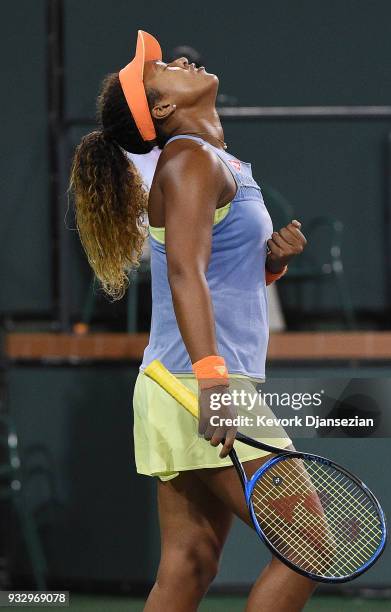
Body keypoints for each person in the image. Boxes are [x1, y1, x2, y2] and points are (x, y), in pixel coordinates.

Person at [70, 30, 312, 612]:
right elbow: (183, 273)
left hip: (180, 381)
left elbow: (213, 271)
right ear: (162, 108)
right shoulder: (187, 161)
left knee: (190, 563)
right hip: (198, 383)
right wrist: (212, 383)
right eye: (161, 71)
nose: (177, 61)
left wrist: (269, 264)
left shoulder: (211, 160)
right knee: (309, 542)